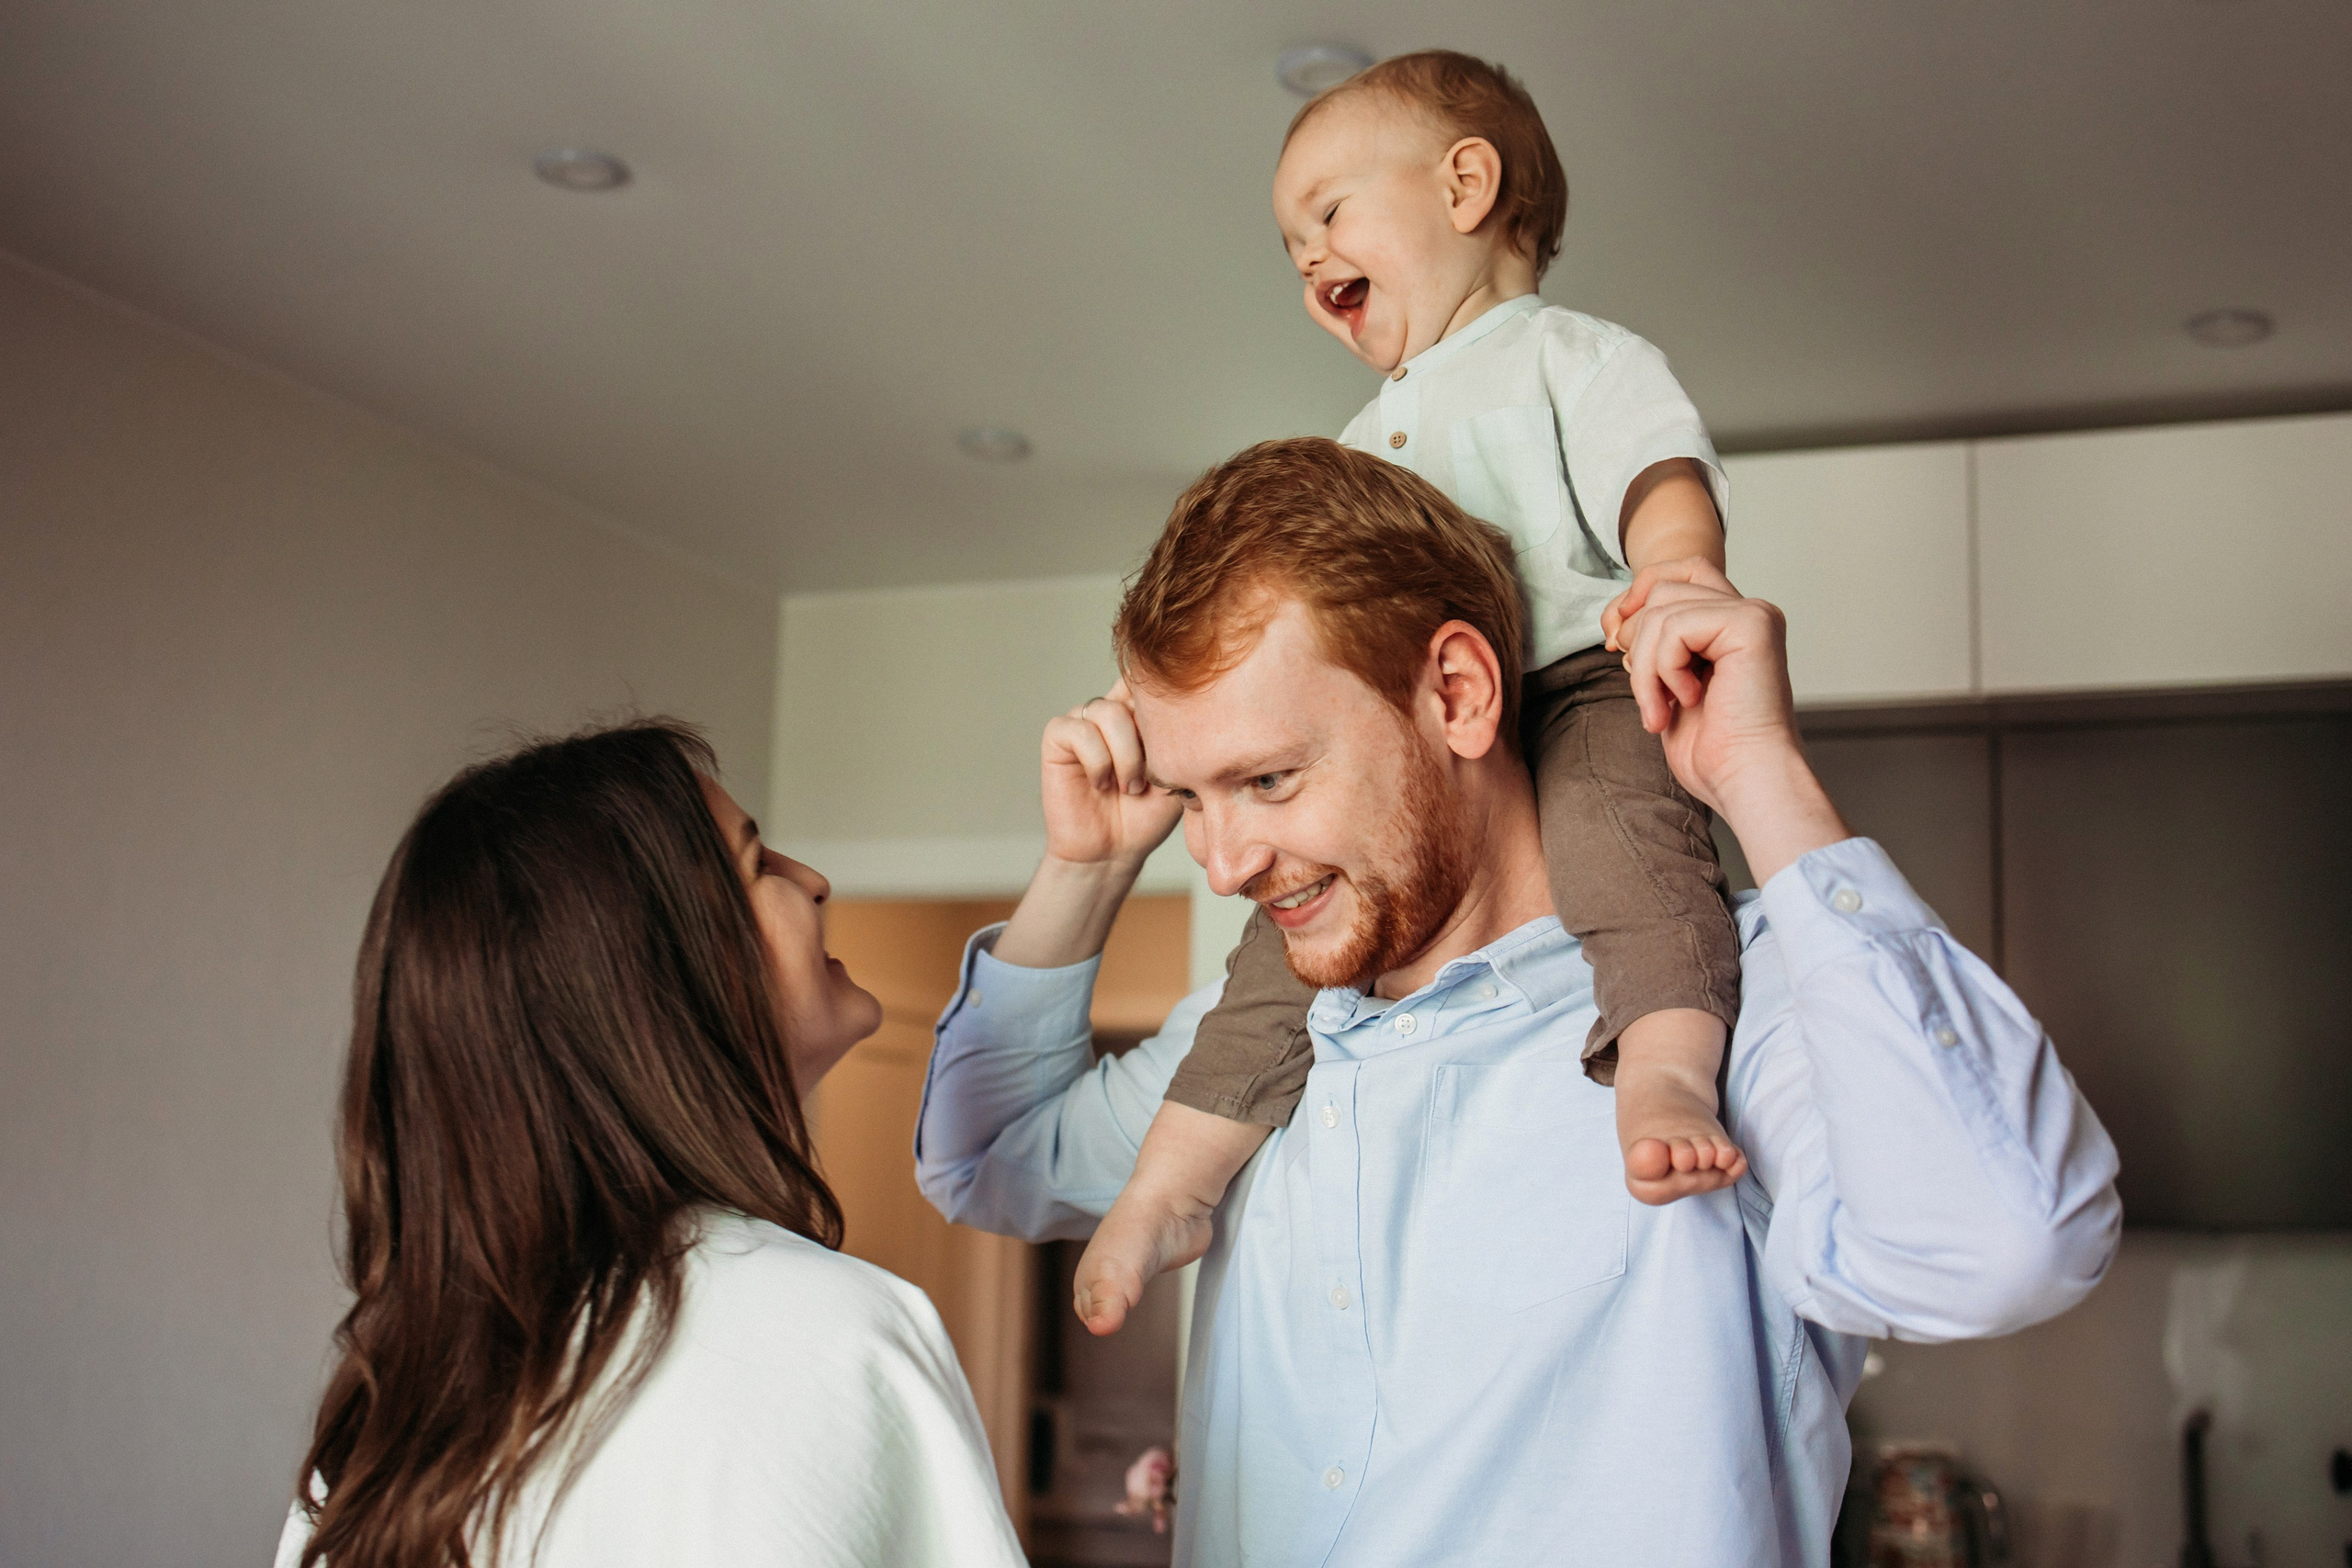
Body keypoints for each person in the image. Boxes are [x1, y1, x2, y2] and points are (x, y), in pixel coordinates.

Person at [915, 438, 2121, 1565]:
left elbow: (2009, 1244)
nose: (1222, 862)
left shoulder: (1728, 1017)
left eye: (1269, 778)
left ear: (1457, 691)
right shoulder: (1254, 1052)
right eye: (1194, 797)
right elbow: (987, 1158)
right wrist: (1086, 868)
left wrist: (1762, 777)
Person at [1075, 51, 1745, 1333]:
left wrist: (1677, 573)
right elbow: (1261, 602)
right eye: (1287, 241)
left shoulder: (1566, 356)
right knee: (1270, 966)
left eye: (1326, 210)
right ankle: (1173, 1179)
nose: (1303, 252)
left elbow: (1655, 466)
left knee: (1638, 863)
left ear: (1467, 184)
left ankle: (1663, 1070)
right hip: (1416, 733)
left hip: (1582, 674)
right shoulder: (1356, 438)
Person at [273, 721, 1025, 1568]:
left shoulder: (385, 1426)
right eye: (758, 864)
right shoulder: (834, 1337)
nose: (813, 881)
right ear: (653, 972)